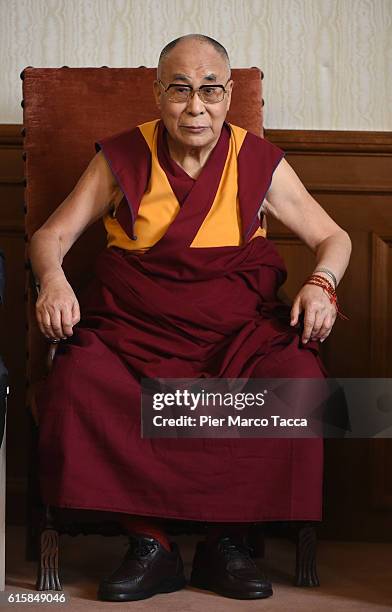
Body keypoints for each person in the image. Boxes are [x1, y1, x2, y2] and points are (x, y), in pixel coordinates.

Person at [30, 34, 351, 602]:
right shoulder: (122, 156)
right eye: (180, 89)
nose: (195, 106)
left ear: (229, 95)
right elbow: (51, 235)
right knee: (80, 379)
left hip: (238, 335)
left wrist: (322, 283)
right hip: (137, 335)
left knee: (298, 383)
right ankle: (149, 543)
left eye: (210, 90)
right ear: (158, 94)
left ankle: (225, 543)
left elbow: (333, 236)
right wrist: (53, 279)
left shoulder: (257, 160)